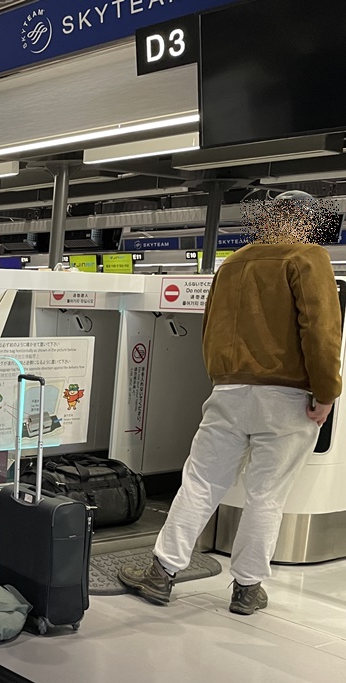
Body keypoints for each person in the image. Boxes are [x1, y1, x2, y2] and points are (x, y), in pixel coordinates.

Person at [119, 191, 343, 616]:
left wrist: (224, 378)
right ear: (305, 221)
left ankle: (161, 573)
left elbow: (211, 329)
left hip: (228, 390)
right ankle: (247, 588)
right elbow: (321, 331)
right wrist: (326, 392)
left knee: (201, 482)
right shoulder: (307, 257)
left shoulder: (235, 261)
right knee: (267, 494)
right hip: (287, 396)